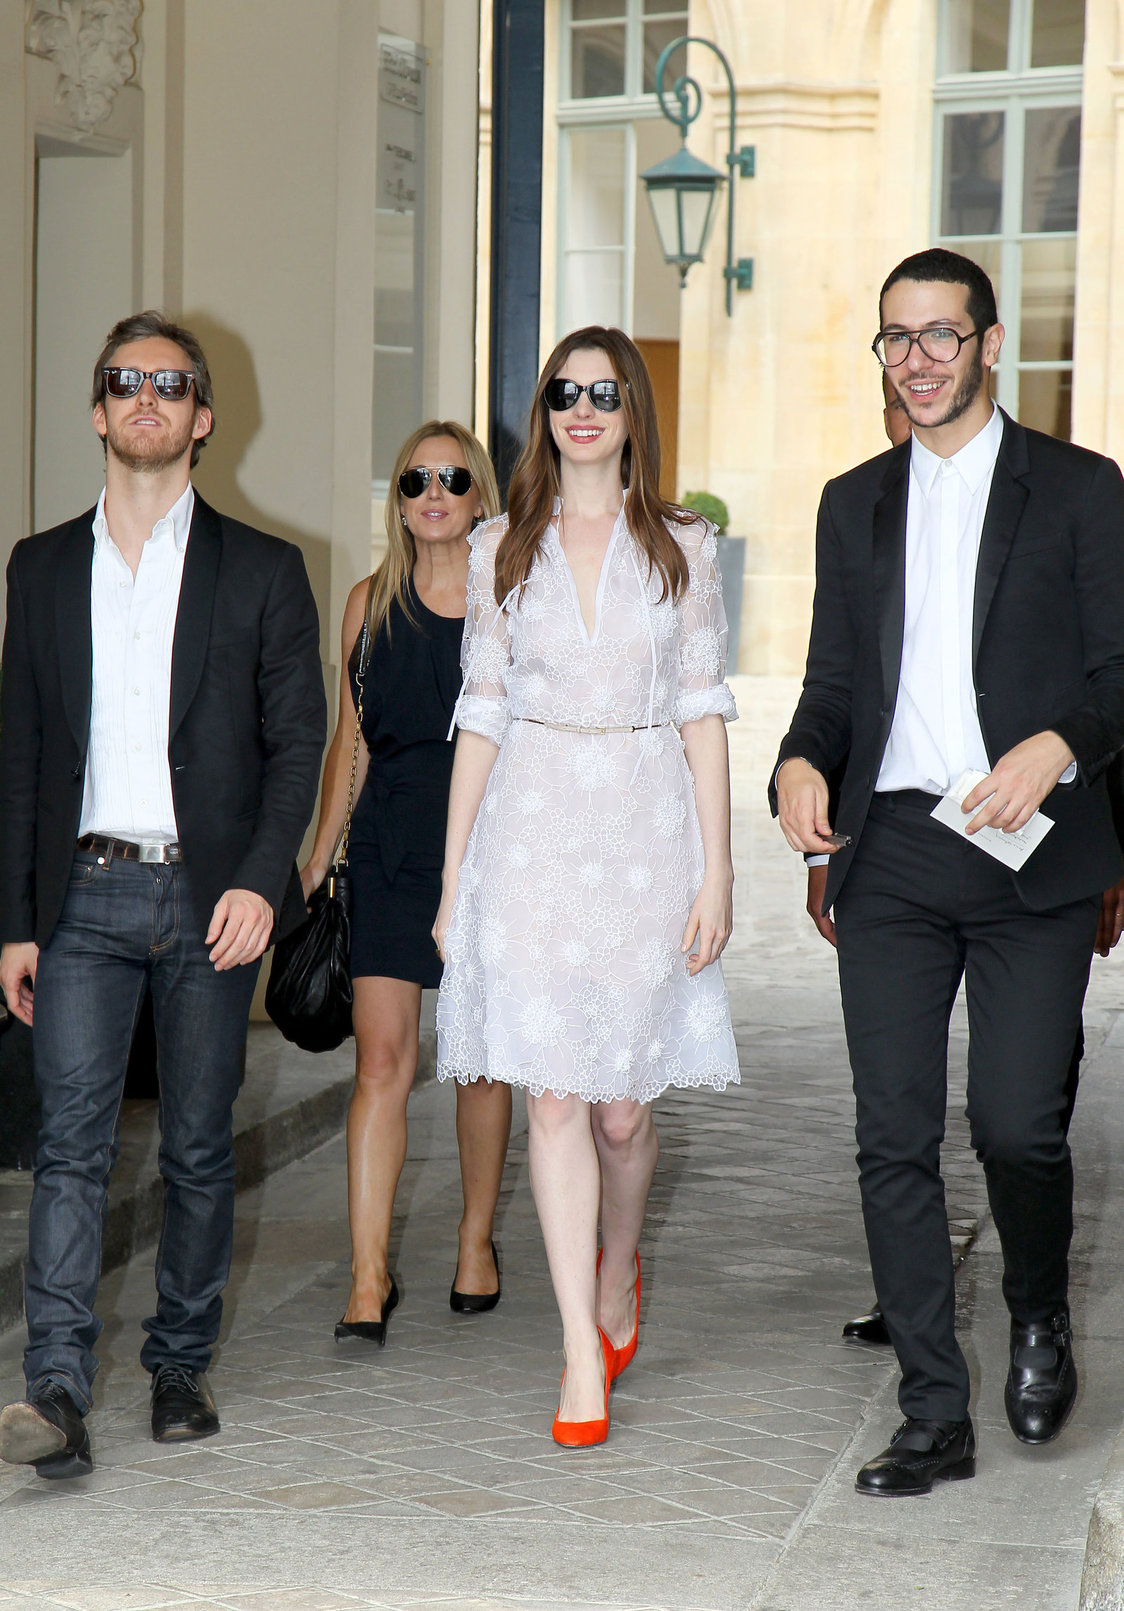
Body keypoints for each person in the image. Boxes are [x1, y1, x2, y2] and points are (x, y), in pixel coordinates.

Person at [773, 248, 1124, 1497]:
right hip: (899, 852)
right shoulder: (850, 501)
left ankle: (1035, 1311)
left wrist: (1057, 745)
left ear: (985, 345)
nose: (916, 358)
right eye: (895, 339)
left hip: (1031, 856)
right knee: (891, 1135)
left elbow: (1117, 677)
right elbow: (827, 687)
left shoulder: (1080, 491)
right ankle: (931, 1406)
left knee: (1017, 1128)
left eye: (938, 334)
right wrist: (796, 769)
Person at [0, 311, 325, 1478]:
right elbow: (21, 749)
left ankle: (178, 1364)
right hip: (81, 896)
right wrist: (11, 925)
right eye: (126, 381)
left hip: (209, 899)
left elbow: (297, 747)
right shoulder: (38, 567)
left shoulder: (264, 569)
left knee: (194, 1145)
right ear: (98, 411)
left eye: (171, 384)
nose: (147, 398)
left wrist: (257, 884)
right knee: (72, 1146)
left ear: (201, 418)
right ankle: (54, 1386)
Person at [433, 326, 740, 1447]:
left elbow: (703, 709)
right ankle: (578, 1351)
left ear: (631, 412)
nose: (582, 409)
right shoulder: (498, 545)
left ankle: (620, 1265)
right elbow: (479, 713)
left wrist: (716, 871)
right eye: (563, 391)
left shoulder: (683, 547)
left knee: (619, 1112)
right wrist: (453, 875)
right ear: (543, 409)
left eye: (603, 393)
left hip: (643, 829)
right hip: (530, 831)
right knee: (550, 1098)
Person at [301, 421, 511, 1345]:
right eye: (417, 478)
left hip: (488, 848)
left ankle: (475, 1240)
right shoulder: (366, 603)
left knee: (477, 1061)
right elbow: (348, 745)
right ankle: (367, 1272)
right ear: (400, 495)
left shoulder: (513, 600)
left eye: (453, 478)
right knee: (380, 1060)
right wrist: (316, 862)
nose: (435, 492)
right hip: (386, 850)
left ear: (479, 496)